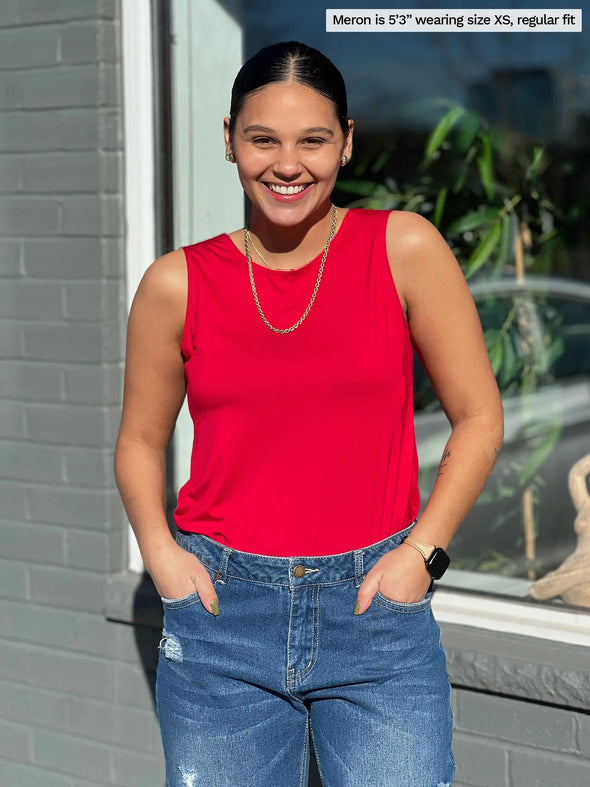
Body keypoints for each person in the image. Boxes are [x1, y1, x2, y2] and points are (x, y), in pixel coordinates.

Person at [114, 41, 503, 787]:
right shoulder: (177, 283)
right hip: (224, 617)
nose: (286, 164)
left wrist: (422, 557)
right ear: (229, 137)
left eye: (313, 140)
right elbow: (138, 439)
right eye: (263, 138)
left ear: (347, 142)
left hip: (376, 615)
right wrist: (162, 556)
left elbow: (480, 417)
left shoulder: (403, 248)